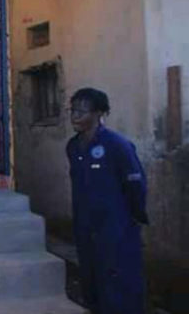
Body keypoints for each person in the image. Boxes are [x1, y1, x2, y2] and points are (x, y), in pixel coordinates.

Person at [66, 88, 148, 314]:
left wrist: (133, 218)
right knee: (92, 285)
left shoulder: (117, 145)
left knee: (120, 287)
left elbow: (136, 186)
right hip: (85, 229)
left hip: (116, 229)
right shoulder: (73, 147)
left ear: (99, 113)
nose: (75, 116)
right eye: (72, 110)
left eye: (82, 111)